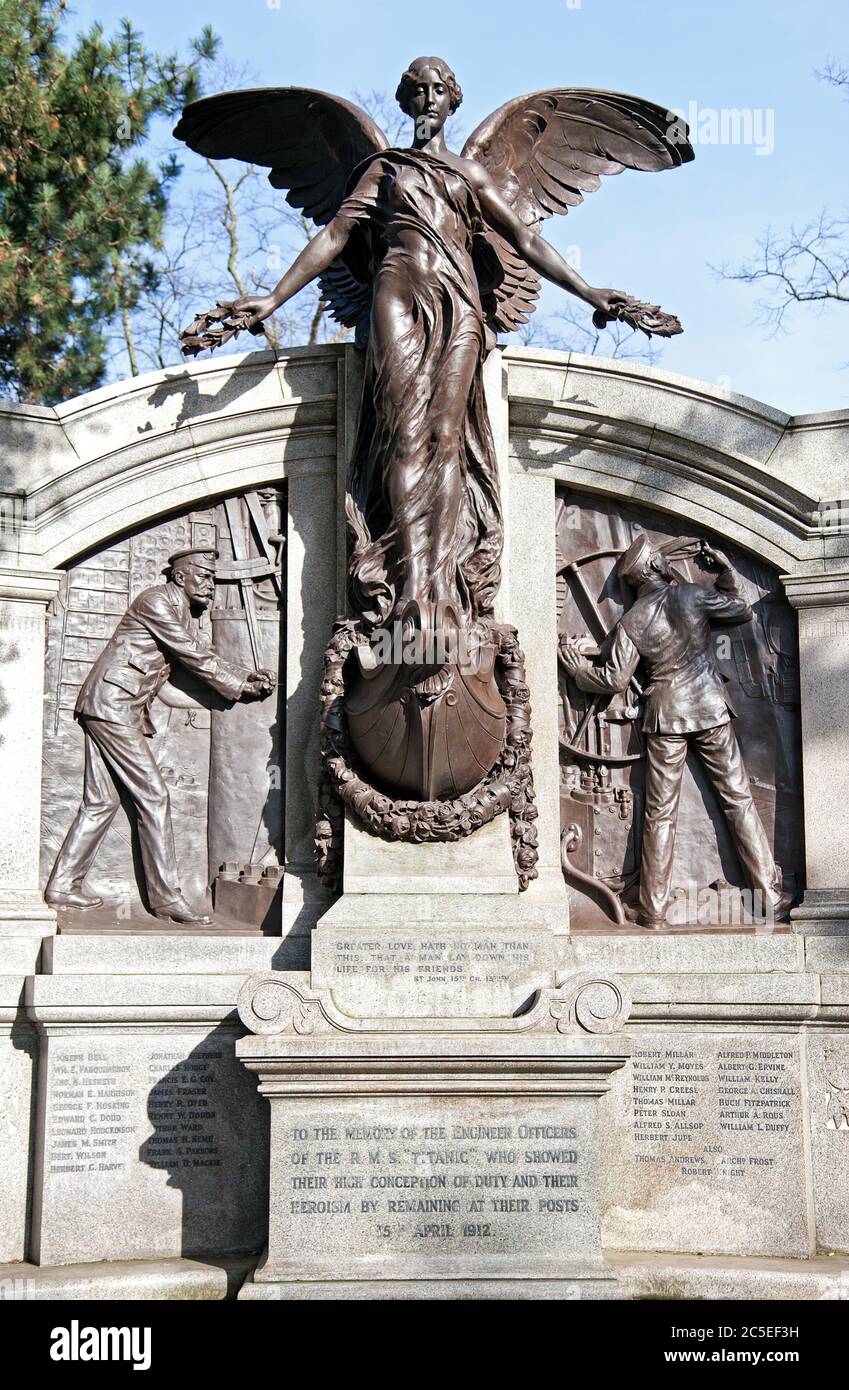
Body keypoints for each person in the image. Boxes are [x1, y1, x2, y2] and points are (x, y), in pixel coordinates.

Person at [559, 533, 790, 928]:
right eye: (661, 560)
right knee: (738, 800)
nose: (667, 563)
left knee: (659, 815)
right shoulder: (690, 596)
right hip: (709, 709)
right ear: (653, 568)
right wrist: (725, 573)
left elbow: (613, 678)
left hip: (665, 716)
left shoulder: (631, 621)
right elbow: (740, 610)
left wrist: (579, 671)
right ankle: (768, 895)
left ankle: (652, 909)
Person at [45, 548, 274, 925]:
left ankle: (63, 884)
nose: (210, 585)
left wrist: (246, 676)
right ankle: (166, 898)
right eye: (203, 576)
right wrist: (240, 684)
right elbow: (192, 655)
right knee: (153, 795)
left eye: (213, 578)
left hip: (114, 706)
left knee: (100, 802)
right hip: (113, 705)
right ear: (180, 577)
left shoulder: (179, 610)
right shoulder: (157, 602)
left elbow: (190, 660)